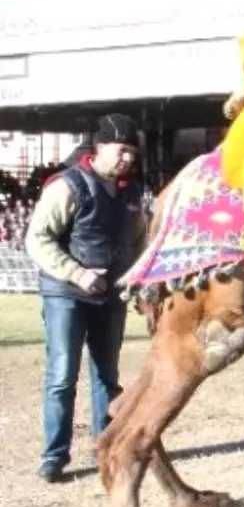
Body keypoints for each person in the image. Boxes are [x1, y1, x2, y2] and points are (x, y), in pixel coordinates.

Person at [25, 113, 145, 482]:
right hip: (66, 294)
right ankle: (54, 456)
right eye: (121, 149)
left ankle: (105, 447)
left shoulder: (131, 193)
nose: (127, 158)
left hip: (110, 298)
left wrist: (136, 279)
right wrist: (78, 274)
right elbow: (37, 239)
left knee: (107, 377)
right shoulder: (67, 185)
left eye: (132, 152)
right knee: (62, 376)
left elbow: (138, 242)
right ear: (100, 147)